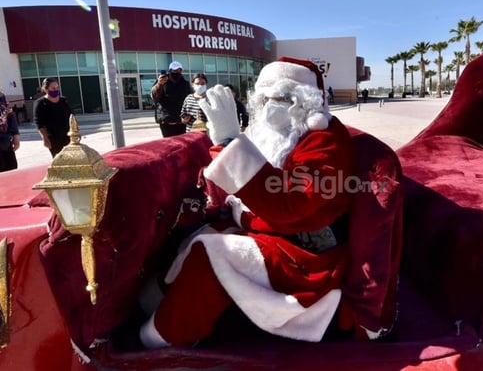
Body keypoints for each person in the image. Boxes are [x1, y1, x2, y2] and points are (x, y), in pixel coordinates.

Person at [139, 57, 356, 348]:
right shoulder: (273, 135)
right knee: (197, 237)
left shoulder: (325, 140)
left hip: (306, 253)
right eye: (264, 97)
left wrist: (230, 143)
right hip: (268, 231)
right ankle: (152, 305)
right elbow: (238, 193)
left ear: (308, 100)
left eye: (282, 97)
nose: (270, 106)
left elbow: (290, 204)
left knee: (213, 253)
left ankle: (165, 340)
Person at [34, 78, 73, 157]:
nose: (56, 90)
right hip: (53, 138)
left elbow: (71, 116)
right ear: (46, 89)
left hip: (68, 136)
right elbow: (39, 123)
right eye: (53, 88)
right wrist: (44, 138)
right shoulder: (40, 103)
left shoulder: (63, 101)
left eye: (57, 87)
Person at [151, 61, 192, 137]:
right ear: (169, 71)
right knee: (169, 144)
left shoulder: (186, 84)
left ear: (181, 71)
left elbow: (190, 100)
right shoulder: (161, 82)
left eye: (177, 70)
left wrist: (189, 114)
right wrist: (159, 84)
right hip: (167, 122)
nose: (175, 72)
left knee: (182, 144)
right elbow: (155, 96)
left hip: (182, 122)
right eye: (173, 70)